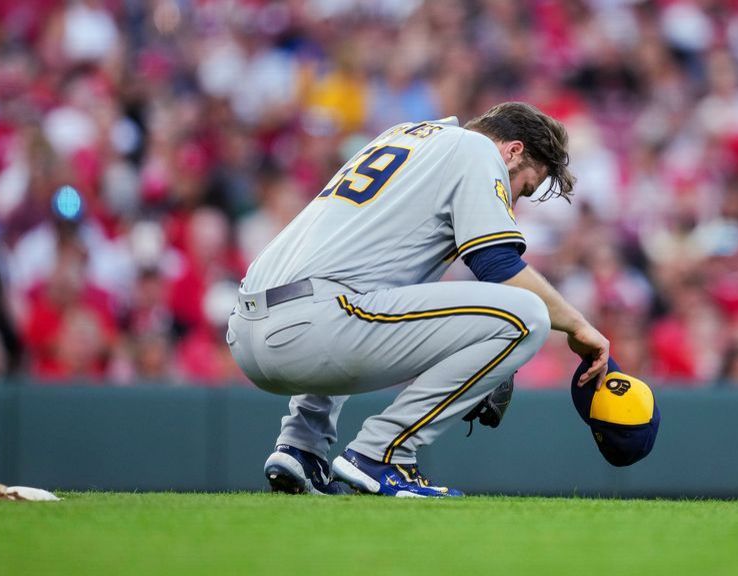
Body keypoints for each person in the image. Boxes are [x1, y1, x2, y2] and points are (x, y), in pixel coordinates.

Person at [227, 103, 610, 497]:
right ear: (512, 151)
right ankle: (382, 454)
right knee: (528, 316)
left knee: (366, 290)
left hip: (249, 329)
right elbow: (496, 264)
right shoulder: (478, 150)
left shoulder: (406, 135)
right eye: (525, 187)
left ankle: (301, 447)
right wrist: (579, 325)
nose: (515, 201)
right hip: (313, 327)